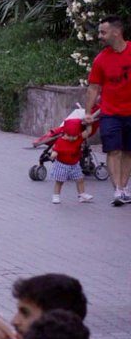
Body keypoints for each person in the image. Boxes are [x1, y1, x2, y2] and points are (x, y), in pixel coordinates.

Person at [84, 16, 131, 206]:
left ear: (116, 32)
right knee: (113, 150)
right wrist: (88, 113)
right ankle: (118, 191)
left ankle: (124, 187)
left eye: (103, 32)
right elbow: (93, 88)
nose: (99, 36)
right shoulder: (101, 59)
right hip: (110, 113)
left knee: (128, 151)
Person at [49, 118, 95, 204]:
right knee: (59, 181)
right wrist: (53, 155)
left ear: (77, 134)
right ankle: (56, 196)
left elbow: (88, 132)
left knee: (80, 179)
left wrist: (89, 124)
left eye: (74, 136)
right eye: (68, 135)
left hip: (74, 164)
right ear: (64, 133)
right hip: (62, 164)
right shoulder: (61, 141)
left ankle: (82, 195)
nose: (71, 138)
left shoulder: (79, 138)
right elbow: (55, 150)